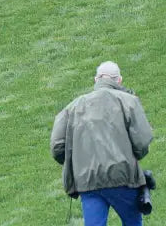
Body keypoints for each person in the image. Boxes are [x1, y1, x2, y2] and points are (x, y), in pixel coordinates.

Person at [51, 61, 154, 226]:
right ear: (119, 80)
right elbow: (142, 144)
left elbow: (57, 147)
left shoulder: (72, 107)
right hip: (122, 177)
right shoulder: (129, 101)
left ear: (96, 80)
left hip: (87, 180)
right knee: (133, 222)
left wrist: (78, 162)